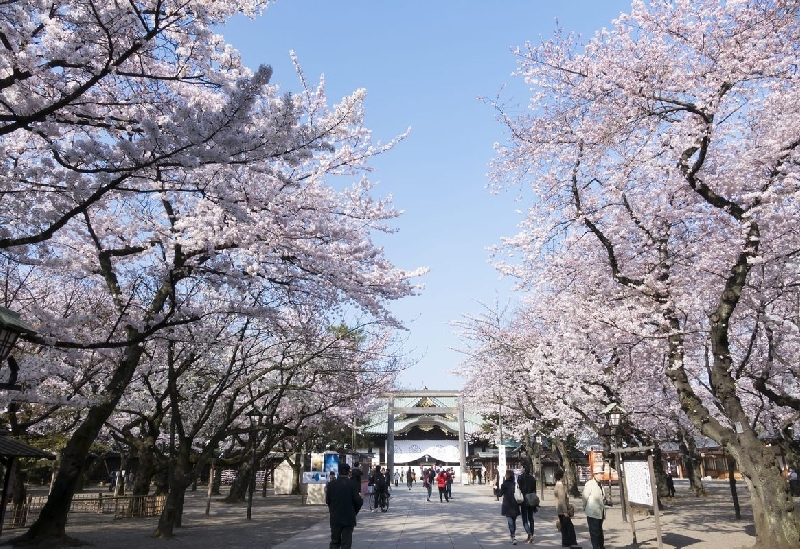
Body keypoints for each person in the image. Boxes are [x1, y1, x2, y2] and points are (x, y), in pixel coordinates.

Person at [326, 463, 363, 549]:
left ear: (338, 471)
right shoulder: (353, 484)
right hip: (348, 517)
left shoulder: (331, 484)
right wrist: (354, 512)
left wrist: (332, 511)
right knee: (346, 543)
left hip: (335, 517)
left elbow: (328, 501)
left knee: (335, 541)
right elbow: (358, 501)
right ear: (348, 472)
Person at [582, 470, 607, 549]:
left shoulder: (600, 484)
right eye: (600, 474)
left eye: (602, 474)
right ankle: (596, 547)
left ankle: (601, 546)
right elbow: (585, 496)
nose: (602, 475)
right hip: (592, 511)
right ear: (595, 475)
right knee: (594, 532)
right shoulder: (590, 484)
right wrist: (584, 506)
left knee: (599, 531)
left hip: (600, 512)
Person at [554, 469, 578, 548]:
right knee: (569, 526)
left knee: (564, 527)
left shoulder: (557, 485)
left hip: (559, 509)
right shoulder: (560, 486)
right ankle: (571, 542)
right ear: (561, 477)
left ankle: (565, 542)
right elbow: (562, 499)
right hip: (563, 510)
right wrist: (565, 511)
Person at [517, 465, 538, 544]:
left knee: (525, 520)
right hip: (532, 499)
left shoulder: (520, 477)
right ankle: (531, 534)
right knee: (531, 518)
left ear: (524, 469)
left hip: (524, 499)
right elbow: (534, 490)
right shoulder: (532, 478)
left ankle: (529, 534)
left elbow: (518, 488)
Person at [499, 469, 521, 545]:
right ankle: (513, 535)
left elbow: (500, 494)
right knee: (513, 521)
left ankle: (513, 536)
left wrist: (495, 489)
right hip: (515, 505)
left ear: (507, 476)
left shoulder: (504, 485)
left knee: (510, 522)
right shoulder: (515, 484)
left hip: (507, 505)